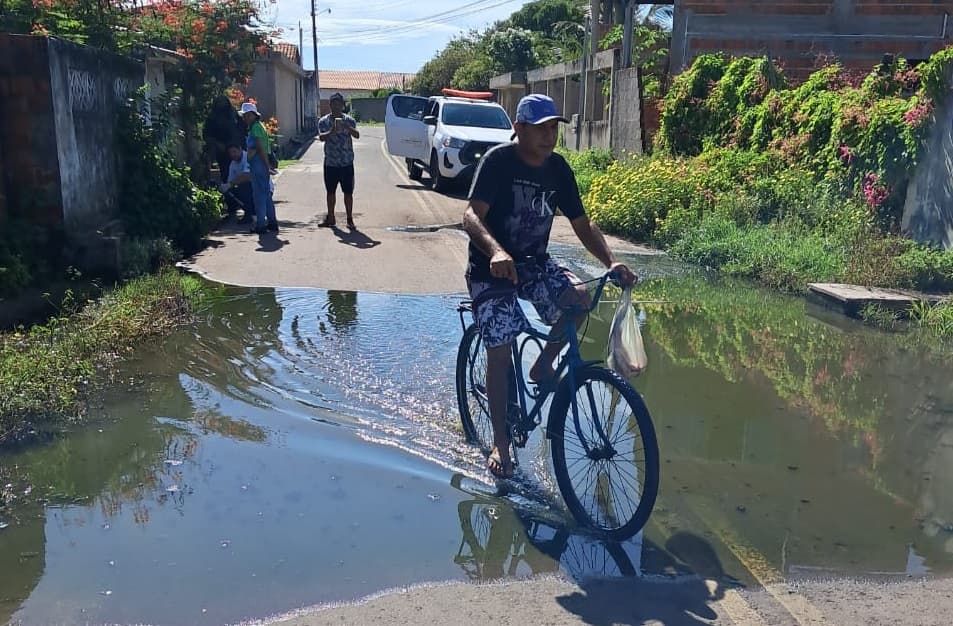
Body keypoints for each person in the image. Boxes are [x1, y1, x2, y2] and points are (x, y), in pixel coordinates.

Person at [462, 94, 638, 479]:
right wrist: (494, 252)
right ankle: (500, 443)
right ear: (519, 129)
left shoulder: (558, 169)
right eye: (540, 128)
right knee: (501, 342)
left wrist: (611, 262)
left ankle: (543, 365)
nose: (549, 135)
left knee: (579, 299)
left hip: (535, 265)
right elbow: (471, 215)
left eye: (554, 127)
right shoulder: (498, 163)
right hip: (491, 270)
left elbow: (582, 223)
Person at [317, 92, 360, 229]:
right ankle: (331, 217)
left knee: (348, 193)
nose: (336, 107)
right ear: (330, 105)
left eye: (338, 104)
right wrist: (332, 131)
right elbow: (321, 137)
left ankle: (349, 219)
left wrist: (347, 127)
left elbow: (357, 135)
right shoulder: (323, 121)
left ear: (343, 105)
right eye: (333, 104)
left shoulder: (350, 120)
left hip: (346, 163)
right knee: (330, 192)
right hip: (331, 163)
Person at [240, 101, 278, 234]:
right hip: (261, 163)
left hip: (258, 163)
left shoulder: (255, 128)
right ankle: (272, 222)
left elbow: (259, 147)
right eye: (245, 115)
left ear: (254, 115)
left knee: (259, 196)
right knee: (266, 194)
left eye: (248, 115)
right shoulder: (258, 126)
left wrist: (266, 165)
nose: (246, 118)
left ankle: (261, 225)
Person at [203, 96, 245, 184]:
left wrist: (241, 143)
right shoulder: (212, 118)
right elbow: (207, 135)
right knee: (226, 173)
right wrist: (217, 144)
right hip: (223, 152)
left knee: (242, 170)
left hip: (238, 149)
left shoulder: (233, 114)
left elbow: (242, 128)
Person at [218, 142, 255, 224]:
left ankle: (249, 214)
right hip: (249, 189)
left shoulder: (248, 157)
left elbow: (247, 176)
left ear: (240, 149)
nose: (232, 154)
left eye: (234, 151)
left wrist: (229, 184)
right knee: (230, 192)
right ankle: (232, 212)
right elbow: (230, 181)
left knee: (243, 187)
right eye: (230, 153)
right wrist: (225, 187)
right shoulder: (233, 164)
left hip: (259, 186)